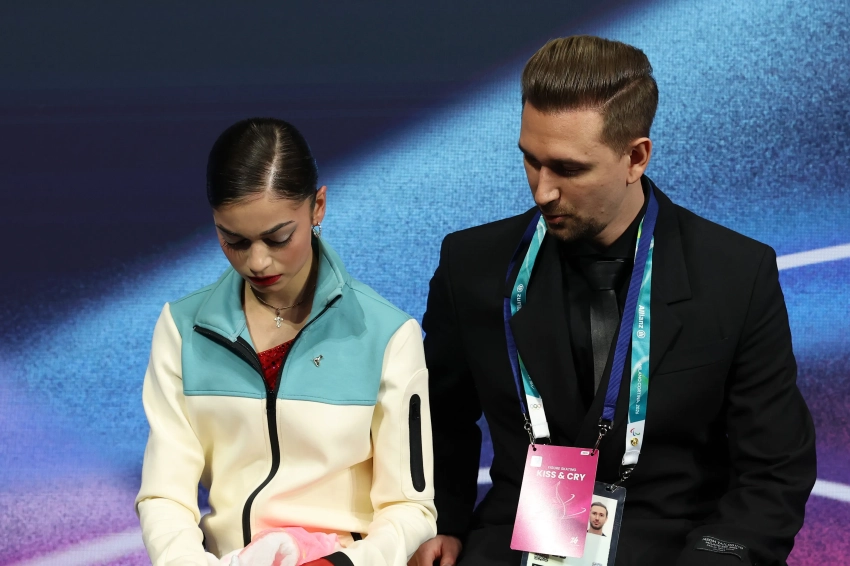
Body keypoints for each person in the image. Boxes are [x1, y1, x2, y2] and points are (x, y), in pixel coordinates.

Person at [411, 36, 816, 566]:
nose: (542, 191)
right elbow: (439, 421)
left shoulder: (736, 274)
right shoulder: (471, 264)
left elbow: (774, 467)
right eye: (531, 161)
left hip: (675, 552)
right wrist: (442, 523)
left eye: (568, 169)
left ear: (636, 157)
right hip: (517, 543)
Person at [136, 118, 437, 566]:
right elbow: (164, 496)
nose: (257, 262)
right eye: (234, 241)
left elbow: (410, 509)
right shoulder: (182, 329)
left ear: (318, 207)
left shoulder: (388, 335)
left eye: (278, 238)